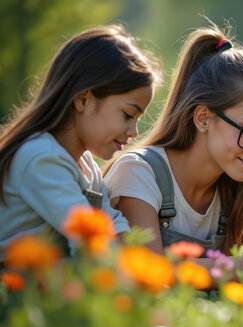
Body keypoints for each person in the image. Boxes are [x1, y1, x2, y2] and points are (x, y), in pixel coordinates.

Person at [104, 22, 243, 265]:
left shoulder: (235, 193)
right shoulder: (138, 172)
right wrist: (242, 264)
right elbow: (148, 272)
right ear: (203, 118)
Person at [0, 25, 160, 256]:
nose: (134, 131)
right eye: (127, 115)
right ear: (83, 99)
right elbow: (90, 245)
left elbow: (113, 223)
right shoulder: (41, 158)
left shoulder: (87, 167)